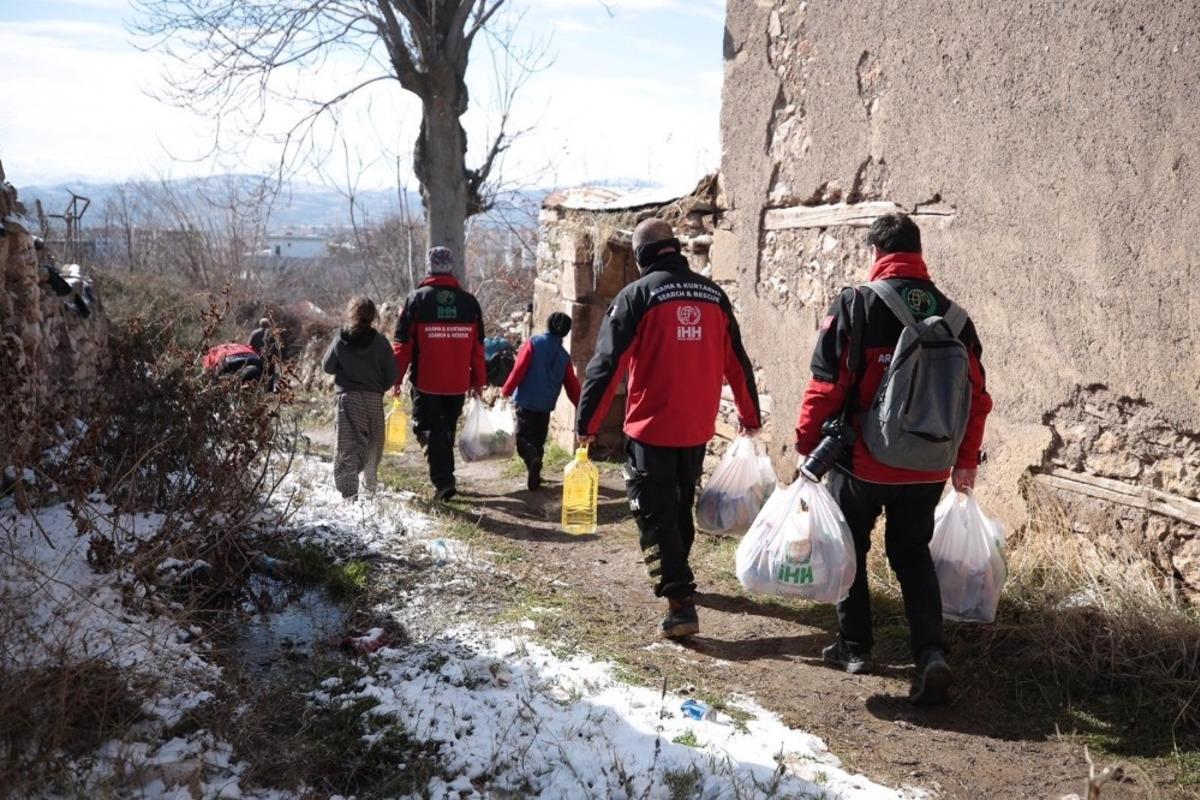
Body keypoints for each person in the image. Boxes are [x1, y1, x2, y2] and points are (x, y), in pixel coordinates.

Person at [794, 213, 992, 705]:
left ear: (876, 253)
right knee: (912, 553)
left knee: (850, 547)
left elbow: (826, 386)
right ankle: (931, 653)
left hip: (863, 462)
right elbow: (977, 398)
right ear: (918, 254)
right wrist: (965, 460)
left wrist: (806, 445)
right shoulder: (956, 316)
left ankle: (855, 646)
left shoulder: (856, 304)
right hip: (928, 466)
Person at [577, 218, 761, 639]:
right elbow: (738, 363)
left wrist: (587, 423)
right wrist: (750, 418)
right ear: (675, 248)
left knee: (654, 512)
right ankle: (682, 578)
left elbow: (606, 365)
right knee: (678, 508)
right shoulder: (713, 294)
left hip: (651, 429)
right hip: (696, 428)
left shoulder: (636, 296)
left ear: (641, 256)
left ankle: (680, 602)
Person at [392, 247, 486, 501]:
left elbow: (402, 345)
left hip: (427, 381)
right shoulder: (470, 303)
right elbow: (478, 347)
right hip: (458, 382)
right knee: (446, 429)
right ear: (451, 266)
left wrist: (395, 378)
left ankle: (443, 481)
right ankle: (447, 476)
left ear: (428, 266)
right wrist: (478, 381)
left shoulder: (416, 300)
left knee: (425, 427)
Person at [322, 297, 398, 500]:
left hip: (347, 398)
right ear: (374, 316)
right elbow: (392, 374)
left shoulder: (341, 338)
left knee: (347, 444)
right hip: (373, 399)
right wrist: (378, 388)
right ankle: (369, 487)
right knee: (373, 442)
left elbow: (327, 366)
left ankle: (349, 493)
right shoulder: (380, 342)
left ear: (351, 314)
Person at [500, 312, 582, 490]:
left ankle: (532, 459)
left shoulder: (534, 343)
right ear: (566, 331)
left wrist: (506, 390)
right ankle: (535, 475)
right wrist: (582, 406)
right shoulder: (564, 356)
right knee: (538, 439)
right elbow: (572, 386)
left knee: (523, 438)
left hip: (526, 401)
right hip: (546, 405)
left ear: (548, 324)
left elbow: (519, 369)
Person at [248, 316, 282, 391]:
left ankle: (258, 390)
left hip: (257, 357)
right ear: (268, 324)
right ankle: (269, 391)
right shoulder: (272, 334)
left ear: (260, 324)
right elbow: (276, 347)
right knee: (270, 374)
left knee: (259, 374)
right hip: (269, 357)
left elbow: (249, 346)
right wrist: (276, 357)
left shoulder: (254, 333)